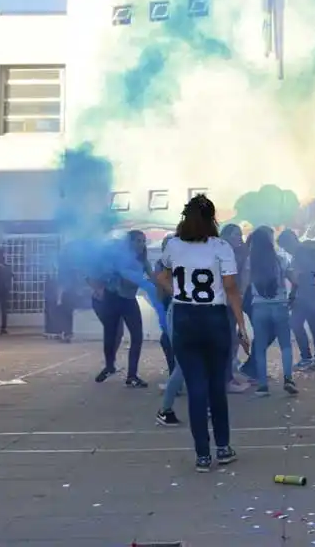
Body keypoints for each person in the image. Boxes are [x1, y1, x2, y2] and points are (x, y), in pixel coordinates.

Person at [155, 194, 247, 471]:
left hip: (185, 316)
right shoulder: (221, 247)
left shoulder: (173, 245)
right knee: (216, 386)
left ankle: (202, 456)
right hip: (214, 317)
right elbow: (231, 288)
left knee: (195, 387)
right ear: (212, 218)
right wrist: (241, 325)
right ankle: (223, 447)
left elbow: (160, 275)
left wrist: (179, 293)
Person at [91, 230, 153, 388]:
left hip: (129, 301)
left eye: (143, 241)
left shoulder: (143, 261)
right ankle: (109, 366)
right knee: (111, 335)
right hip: (113, 299)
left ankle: (132, 376)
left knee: (137, 337)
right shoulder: (118, 258)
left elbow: (152, 278)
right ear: (129, 243)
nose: (141, 244)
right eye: (138, 241)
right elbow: (103, 274)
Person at [249, 226, 299, 397]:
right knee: (285, 344)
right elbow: (295, 281)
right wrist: (291, 296)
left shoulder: (251, 261)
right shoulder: (281, 259)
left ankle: (262, 385)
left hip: (259, 306)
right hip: (280, 305)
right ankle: (288, 378)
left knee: (260, 347)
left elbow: (242, 285)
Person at [221, 224, 251, 393]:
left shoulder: (239, 254)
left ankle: (228, 375)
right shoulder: (224, 254)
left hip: (230, 302)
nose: (239, 238)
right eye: (235, 235)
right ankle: (226, 380)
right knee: (228, 340)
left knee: (232, 340)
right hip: (224, 302)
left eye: (240, 234)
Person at [292, 239, 315, 371]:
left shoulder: (300, 260)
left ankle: (306, 357)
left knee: (296, 324)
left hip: (303, 296)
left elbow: (295, 279)